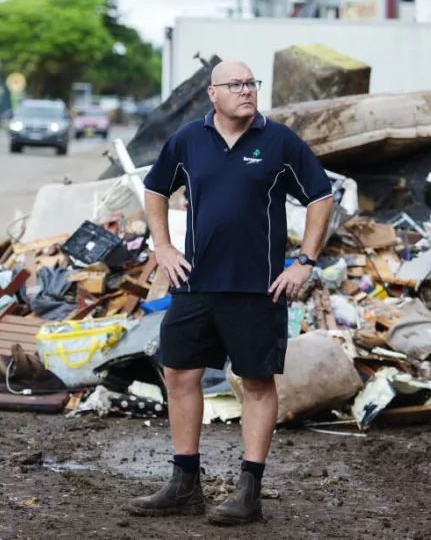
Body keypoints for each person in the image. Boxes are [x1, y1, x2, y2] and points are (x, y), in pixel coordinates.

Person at [126, 60, 334, 525]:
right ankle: (184, 485)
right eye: (236, 84)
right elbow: (155, 188)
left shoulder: (279, 140)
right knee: (179, 375)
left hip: (258, 289)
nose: (246, 90)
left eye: (251, 83)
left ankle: (249, 490)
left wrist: (304, 261)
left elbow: (321, 197)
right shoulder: (187, 140)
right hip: (195, 284)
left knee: (256, 384)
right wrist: (162, 246)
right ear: (213, 94)